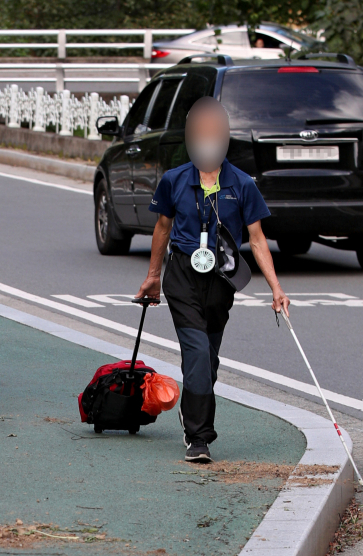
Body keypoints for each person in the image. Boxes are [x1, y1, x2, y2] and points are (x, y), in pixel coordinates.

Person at [136, 96, 290, 463]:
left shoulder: (242, 184)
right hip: (183, 277)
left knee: (209, 362)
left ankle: (193, 408)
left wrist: (276, 287)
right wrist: (154, 276)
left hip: (221, 280)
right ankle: (199, 438)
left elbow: (256, 238)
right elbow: (162, 228)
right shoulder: (174, 181)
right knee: (198, 353)